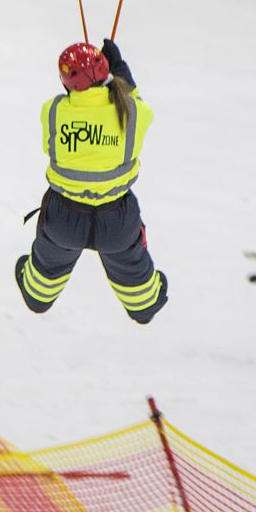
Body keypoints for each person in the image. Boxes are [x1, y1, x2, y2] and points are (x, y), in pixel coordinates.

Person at [16, 40, 168, 324]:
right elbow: (140, 107)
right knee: (133, 274)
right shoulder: (131, 111)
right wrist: (121, 75)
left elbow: (50, 146)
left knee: (46, 271)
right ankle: (144, 303)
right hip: (117, 221)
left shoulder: (53, 111)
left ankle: (37, 293)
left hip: (64, 218)